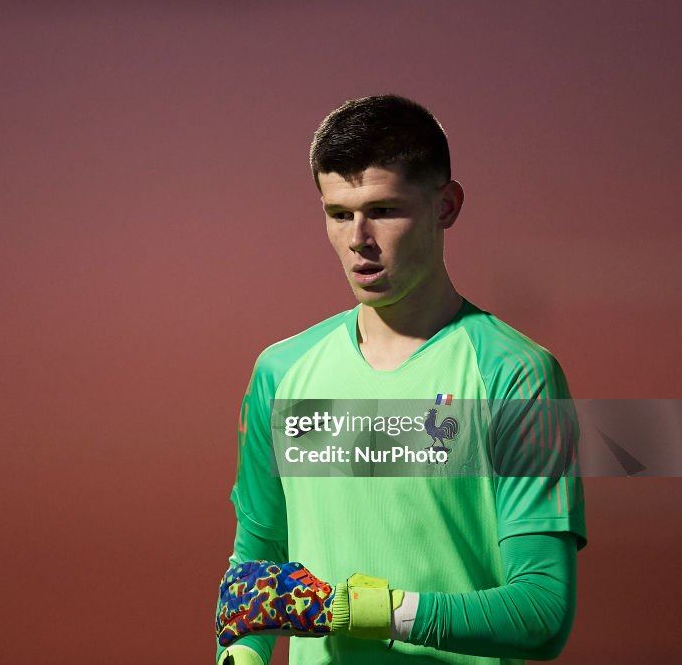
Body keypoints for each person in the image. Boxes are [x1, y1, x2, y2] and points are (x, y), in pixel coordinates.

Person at [213, 95, 586, 665]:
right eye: (338, 214)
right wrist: (243, 655)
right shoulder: (281, 372)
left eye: (383, 210)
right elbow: (257, 571)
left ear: (447, 206)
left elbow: (542, 613)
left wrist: (368, 612)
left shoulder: (516, 374)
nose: (359, 237)